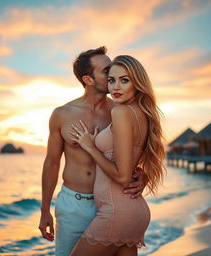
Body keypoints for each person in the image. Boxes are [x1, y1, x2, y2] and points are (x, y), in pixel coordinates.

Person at [38, 47, 147, 256]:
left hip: (112, 203)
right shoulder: (62, 114)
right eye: (107, 71)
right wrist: (44, 210)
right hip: (74, 205)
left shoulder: (120, 111)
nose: (113, 73)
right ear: (88, 79)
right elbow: (51, 162)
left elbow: (136, 152)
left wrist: (144, 176)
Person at [69, 55, 165, 256]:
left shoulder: (121, 113)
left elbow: (122, 176)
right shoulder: (141, 113)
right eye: (111, 80)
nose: (116, 87)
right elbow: (130, 163)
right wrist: (143, 175)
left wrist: (90, 147)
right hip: (133, 212)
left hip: (117, 212)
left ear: (137, 82)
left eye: (124, 80)